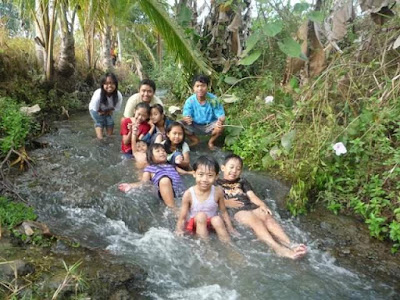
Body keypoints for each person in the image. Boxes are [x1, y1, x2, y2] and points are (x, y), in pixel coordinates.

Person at [216, 154, 307, 259]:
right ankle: (277, 248)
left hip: (250, 206)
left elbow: (252, 196)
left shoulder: (242, 181)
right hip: (237, 211)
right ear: (223, 168)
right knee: (255, 221)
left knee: (267, 217)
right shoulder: (217, 183)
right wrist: (227, 203)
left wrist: (263, 205)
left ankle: (290, 244)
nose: (234, 171)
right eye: (231, 167)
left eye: (238, 169)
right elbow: (212, 200)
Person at [176, 156, 235, 243]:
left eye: (210, 175)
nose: (205, 179)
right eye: (201, 175)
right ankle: (205, 247)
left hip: (211, 224)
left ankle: (229, 246)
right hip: (195, 224)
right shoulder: (189, 194)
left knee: (217, 219)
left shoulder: (218, 192)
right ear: (194, 174)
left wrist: (231, 228)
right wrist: (179, 230)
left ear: (216, 176)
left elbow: (223, 212)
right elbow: (182, 217)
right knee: (201, 216)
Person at [118, 143, 192, 208]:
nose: (162, 152)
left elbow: (184, 172)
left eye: (163, 151)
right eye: (158, 151)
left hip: (179, 191)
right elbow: (144, 183)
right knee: (164, 180)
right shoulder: (150, 169)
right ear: (151, 156)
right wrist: (130, 185)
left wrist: (192, 173)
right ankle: (173, 208)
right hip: (164, 191)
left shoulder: (171, 166)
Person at [181, 74, 225, 150]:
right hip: (195, 124)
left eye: (203, 86)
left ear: (207, 87)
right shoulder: (190, 101)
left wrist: (220, 121)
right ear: (193, 88)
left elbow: (221, 116)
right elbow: (186, 115)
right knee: (179, 125)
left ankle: (211, 142)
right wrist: (186, 118)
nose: (200, 89)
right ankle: (195, 140)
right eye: (197, 86)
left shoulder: (213, 99)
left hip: (210, 125)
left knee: (220, 127)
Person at [88, 72, 123, 139]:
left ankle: (109, 137)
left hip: (108, 109)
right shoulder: (98, 95)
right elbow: (96, 109)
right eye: (106, 83)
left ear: (116, 85)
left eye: (112, 83)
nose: (109, 85)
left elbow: (116, 108)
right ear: (102, 85)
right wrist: (102, 112)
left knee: (110, 122)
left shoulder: (118, 95)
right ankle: (100, 139)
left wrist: (107, 112)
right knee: (100, 122)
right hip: (95, 110)